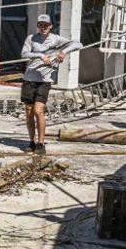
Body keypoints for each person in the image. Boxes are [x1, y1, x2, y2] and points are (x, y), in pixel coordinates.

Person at [21, 14, 81, 154]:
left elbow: (78, 44)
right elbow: (24, 53)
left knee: (38, 110)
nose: (43, 27)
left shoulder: (56, 39)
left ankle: (41, 143)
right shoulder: (31, 38)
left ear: (51, 26)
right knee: (29, 112)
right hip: (30, 78)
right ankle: (32, 141)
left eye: (46, 25)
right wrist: (40, 55)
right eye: (41, 25)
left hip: (45, 80)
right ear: (38, 26)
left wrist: (63, 52)